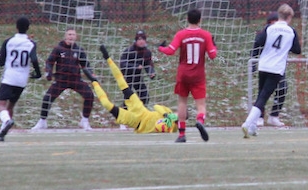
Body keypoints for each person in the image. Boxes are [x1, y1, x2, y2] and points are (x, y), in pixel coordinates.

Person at [85, 45, 177, 133]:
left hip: (135, 122)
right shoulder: (169, 113)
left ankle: (94, 82)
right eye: (179, 114)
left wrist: (166, 125)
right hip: (140, 109)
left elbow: (163, 129)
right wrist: (166, 115)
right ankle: (108, 58)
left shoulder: (173, 128)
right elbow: (156, 106)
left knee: (106, 104)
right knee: (122, 82)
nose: (178, 115)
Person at [241, 4, 302, 138]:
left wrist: (256, 57)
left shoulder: (269, 28)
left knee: (260, 95)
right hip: (276, 68)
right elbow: (297, 50)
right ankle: (247, 123)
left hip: (263, 65)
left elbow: (258, 42)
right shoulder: (291, 31)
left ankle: (252, 127)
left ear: (278, 15)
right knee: (263, 97)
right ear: (289, 17)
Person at [157, 8, 217, 143]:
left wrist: (160, 48)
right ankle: (200, 120)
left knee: (182, 102)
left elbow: (171, 51)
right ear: (200, 19)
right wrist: (214, 45)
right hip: (198, 75)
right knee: (201, 104)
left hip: (183, 74)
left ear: (187, 19)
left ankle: (181, 134)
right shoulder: (206, 35)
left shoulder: (181, 34)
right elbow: (213, 55)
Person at [33, 27, 94, 131]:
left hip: (75, 79)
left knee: (89, 95)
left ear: (76, 37)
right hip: (61, 79)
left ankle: (84, 120)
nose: (71, 36)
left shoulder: (79, 50)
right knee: (47, 98)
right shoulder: (58, 49)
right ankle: (42, 121)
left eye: (73, 35)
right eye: (69, 34)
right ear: (65, 36)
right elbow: (49, 61)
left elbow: (85, 65)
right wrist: (49, 72)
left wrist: (92, 75)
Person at [0, 16, 42, 142]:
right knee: (10, 106)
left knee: (1, 105)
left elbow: (1, 62)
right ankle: (1, 134)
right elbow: (34, 59)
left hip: (9, 77)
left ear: (16, 27)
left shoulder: (8, 41)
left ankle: (7, 120)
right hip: (22, 80)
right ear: (28, 28)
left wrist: (3, 61)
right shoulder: (31, 43)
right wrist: (38, 73)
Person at [252, 12, 288, 127]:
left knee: (282, 88)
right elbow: (256, 46)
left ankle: (274, 115)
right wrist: (253, 63)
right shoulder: (266, 32)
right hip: (266, 67)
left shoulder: (285, 32)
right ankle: (259, 116)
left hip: (278, 67)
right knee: (263, 92)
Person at [118, 30, 155, 105]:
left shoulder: (147, 52)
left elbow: (148, 64)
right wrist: (135, 67)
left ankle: (141, 112)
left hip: (137, 77)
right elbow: (123, 64)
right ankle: (124, 112)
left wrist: (151, 72)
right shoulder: (129, 51)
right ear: (135, 40)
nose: (141, 41)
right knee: (128, 98)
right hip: (127, 76)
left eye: (143, 39)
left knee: (145, 97)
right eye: (139, 39)